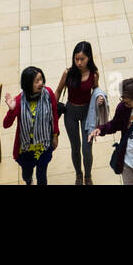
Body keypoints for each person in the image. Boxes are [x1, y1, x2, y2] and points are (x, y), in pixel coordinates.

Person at [55, 41, 104, 186]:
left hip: (87, 114)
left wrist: (99, 98)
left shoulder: (94, 75)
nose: (79, 62)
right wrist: (53, 108)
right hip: (70, 112)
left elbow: (96, 91)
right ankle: (78, 174)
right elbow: (58, 90)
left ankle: (88, 176)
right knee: (75, 147)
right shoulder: (68, 73)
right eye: (76, 59)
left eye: (82, 59)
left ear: (89, 58)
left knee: (87, 149)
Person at [2, 66, 59, 185]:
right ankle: (29, 181)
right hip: (26, 150)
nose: (41, 83)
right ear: (28, 84)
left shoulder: (48, 94)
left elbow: (54, 115)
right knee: (26, 175)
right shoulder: (19, 101)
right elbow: (6, 125)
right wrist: (12, 110)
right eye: (37, 81)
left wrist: (55, 135)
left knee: (42, 177)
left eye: (41, 79)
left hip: (44, 147)